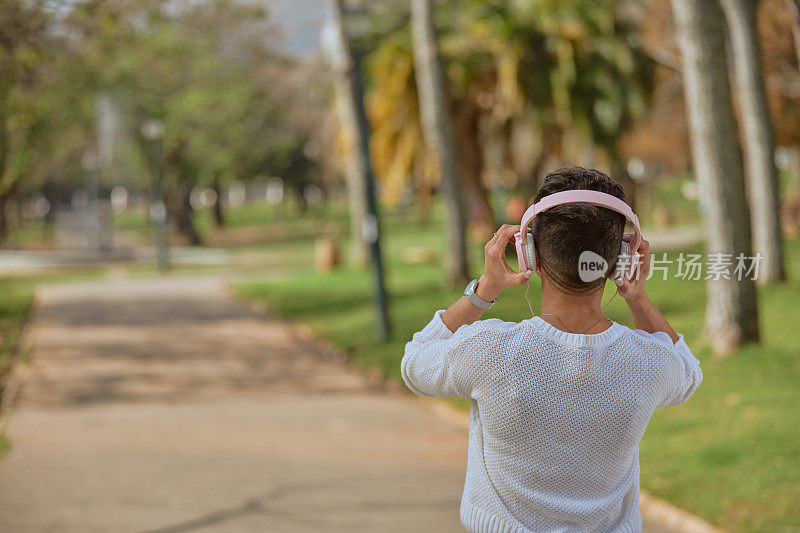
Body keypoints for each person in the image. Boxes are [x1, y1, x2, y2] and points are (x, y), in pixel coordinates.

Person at [401, 166, 703, 533]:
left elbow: (415, 362)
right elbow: (688, 372)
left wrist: (483, 291)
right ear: (619, 262)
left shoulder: (490, 350)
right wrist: (637, 297)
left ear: (530, 256)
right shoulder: (649, 361)